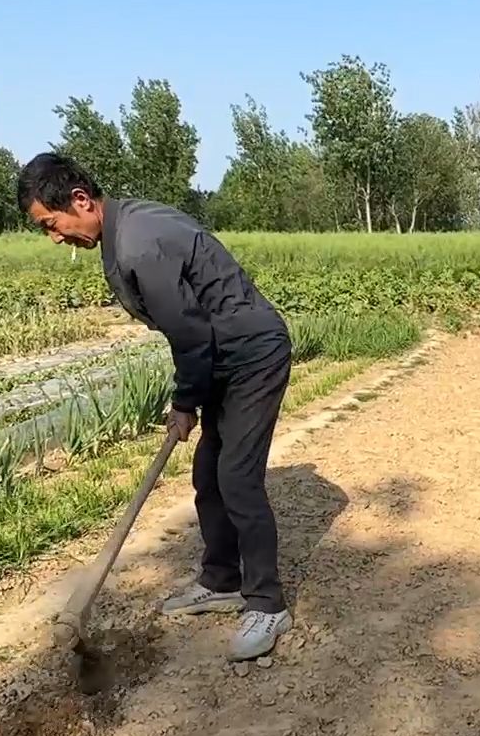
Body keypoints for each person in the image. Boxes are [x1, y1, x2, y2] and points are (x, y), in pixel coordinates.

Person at [16, 153, 295, 661]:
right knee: (208, 474)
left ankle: (268, 602)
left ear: (80, 201)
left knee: (237, 477)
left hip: (252, 353)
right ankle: (221, 580)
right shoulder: (122, 232)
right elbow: (190, 332)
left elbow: (189, 334)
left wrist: (185, 401)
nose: (54, 237)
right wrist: (191, 396)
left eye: (51, 224)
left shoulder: (139, 243)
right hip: (220, 354)